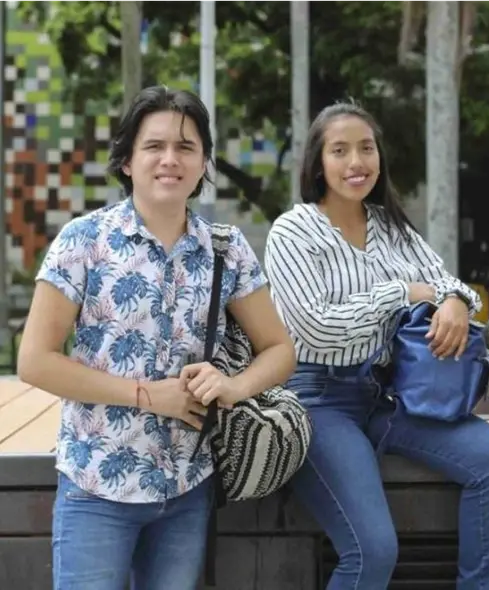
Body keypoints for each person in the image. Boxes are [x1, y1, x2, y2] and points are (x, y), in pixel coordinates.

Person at [16, 86, 296, 590]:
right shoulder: (83, 241)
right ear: (126, 160)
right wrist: (148, 396)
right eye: (154, 146)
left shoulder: (226, 250)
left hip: (188, 489)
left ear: (204, 163)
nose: (170, 159)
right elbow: (34, 361)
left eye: (186, 147)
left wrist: (232, 387)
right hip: (96, 487)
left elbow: (279, 350)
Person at [263, 102, 489, 590]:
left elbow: (447, 284)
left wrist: (455, 302)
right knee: (373, 551)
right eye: (340, 151)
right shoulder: (293, 231)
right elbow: (316, 328)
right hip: (317, 399)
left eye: (366, 148)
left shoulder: (393, 227)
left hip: (390, 396)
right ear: (319, 163)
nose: (356, 162)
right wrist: (401, 292)